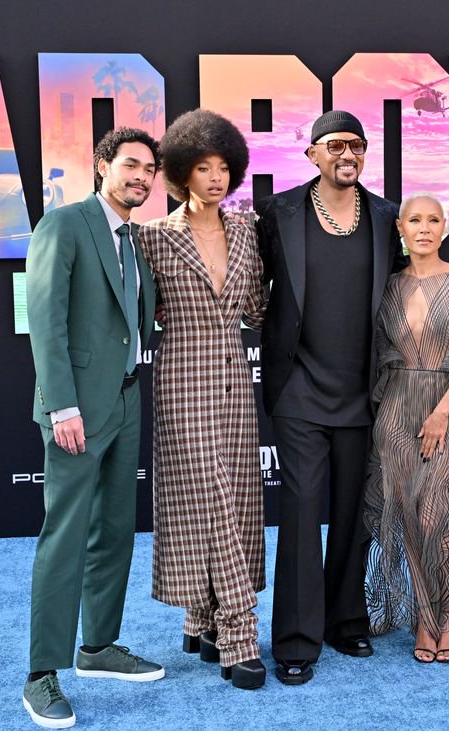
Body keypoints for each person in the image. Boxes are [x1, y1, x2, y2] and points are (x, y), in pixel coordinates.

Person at [256, 110, 405, 685]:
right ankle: (296, 639)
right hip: (299, 387)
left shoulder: (385, 216)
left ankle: (346, 620)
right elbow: (250, 282)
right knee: (299, 511)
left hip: (363, 390)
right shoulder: (278, 212)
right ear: (312, 154)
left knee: (352, 512)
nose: (348, 154)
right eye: (336, 145)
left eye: (357, 145)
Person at [23, 127, 163, 729]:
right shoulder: (65, 224)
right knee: (66, 535)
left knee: (114, 529)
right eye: (131, 165)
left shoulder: (133, 237)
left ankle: (98, 646)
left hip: (126, 399)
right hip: (76, 409)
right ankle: (41, 673)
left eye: (149, 170)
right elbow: (45, 319)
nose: (141, 177)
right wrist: (63, 406)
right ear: (103, 165)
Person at [138, 110, 268, 690]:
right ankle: (239, 634)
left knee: (234, 499)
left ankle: (203, 617)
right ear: (180, 173)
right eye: (202, 168)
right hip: (182, 376)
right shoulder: (154, 237)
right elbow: (135, 305)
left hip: (236, 380)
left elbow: (257, 309)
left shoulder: (245, 231)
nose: (216, 178)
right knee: (209, 496)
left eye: (223, 168)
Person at [364, 194, 449, 664]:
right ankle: (427, 616)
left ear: (445, 226)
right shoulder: (387, 287)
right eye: (414, 220)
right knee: (407, 516)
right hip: (398, 407)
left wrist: (442, 411)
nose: (423, 228)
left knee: (434, 517)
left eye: (433, 219)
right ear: (400, 228)